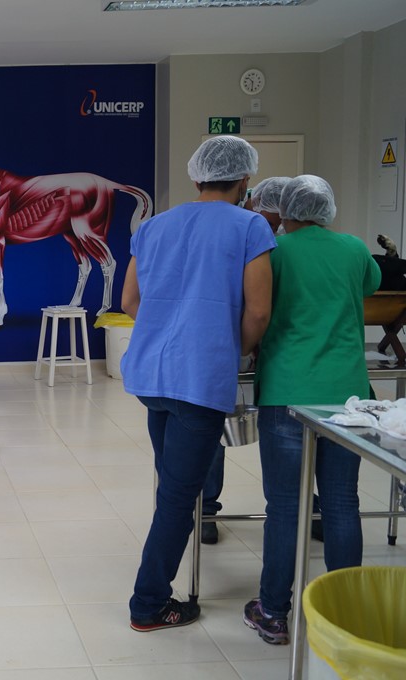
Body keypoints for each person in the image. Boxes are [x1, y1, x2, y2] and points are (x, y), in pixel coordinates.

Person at [120, 135, 274, 631]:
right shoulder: (250, 226)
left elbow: (130, 302)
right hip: (199, 378)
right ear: (245, 180)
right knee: (178, 498)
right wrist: (230, 348)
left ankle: (153, 589)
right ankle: (148, 604)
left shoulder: (153, 226)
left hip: (152, 376)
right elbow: (259, 311)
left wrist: (167, 331)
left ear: (197, 177)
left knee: (172, 485)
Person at [244, 175, 380, 645]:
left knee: (285, 507)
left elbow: (256, 307)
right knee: (342, 503)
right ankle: (344, 616)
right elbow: (369, 285)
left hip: (286, 390)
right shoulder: (354, 249)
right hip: (346, 397)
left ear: (284, 209)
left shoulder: (273, 251)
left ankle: (273, 612)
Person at [201, 175, 292, 545]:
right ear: (252, 199)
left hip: (273, 351)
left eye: (282, 221)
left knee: (289, 438)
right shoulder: (236, 230)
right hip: (231, 344)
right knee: (211, 431)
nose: (276, 226)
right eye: (271, 219)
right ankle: (206, 508)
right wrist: (241, 345)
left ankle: (302, 506)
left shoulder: (285, 242)